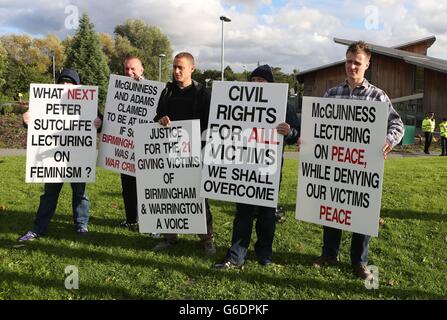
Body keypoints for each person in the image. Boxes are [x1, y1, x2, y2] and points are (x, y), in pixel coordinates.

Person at [312, 41, 404, 280]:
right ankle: (329, 253)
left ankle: (359, 262)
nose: (352, 66)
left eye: (357, 62)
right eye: (349, 61)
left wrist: (388, 140)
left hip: (363, 168)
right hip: (335, 165)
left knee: (362, 215)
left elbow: (397, 124)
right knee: (332, 210)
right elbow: (319, 126)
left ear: (367, 64)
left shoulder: (377, 96)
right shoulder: (332, 94)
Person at [213, 64, 300, 269]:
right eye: (254, 80)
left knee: (267, 215)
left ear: (270, 84)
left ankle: (264, 254)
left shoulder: (283, 104)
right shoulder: (239, 101)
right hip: (243, 166)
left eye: (262, 80)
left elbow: (296, 135)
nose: (257, 83)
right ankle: (235, 256)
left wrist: (289, 132)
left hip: (269, 168)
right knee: (242, 213)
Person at [18, 68, 102, 241]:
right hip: (53, 159)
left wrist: (99, 123)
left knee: (80, 193)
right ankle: (38, 228)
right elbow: (37, 121)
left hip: (77, 157)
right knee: (49, 194)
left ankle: (81, 225)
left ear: (77, 86)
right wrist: (26, 120)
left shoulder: (88, 101)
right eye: (62, 82)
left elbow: (99, 123)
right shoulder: (46, 100)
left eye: (69, 82)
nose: (65, 85)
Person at [152, 52, 216, 255]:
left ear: (192, 68)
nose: (176, 71)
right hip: (169, 153)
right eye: (174, 67)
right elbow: (157, 116)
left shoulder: (203, 93)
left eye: (181, 67)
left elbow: (210, 125)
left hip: (195, 153)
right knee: (170, 194)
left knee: (198, 197)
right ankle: (170, 237)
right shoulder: (167, 92)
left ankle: (207, 239)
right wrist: (161, 119)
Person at [117, 56, 145, 230]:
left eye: (133, 69)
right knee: (127, 187)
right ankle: (131, 219)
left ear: (141, 70)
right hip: (125, 148)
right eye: (126, 69)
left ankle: (151, 222)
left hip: (146, 148)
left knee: (146, 187)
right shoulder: (119, 88)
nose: (129, 72)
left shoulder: (152, 89)